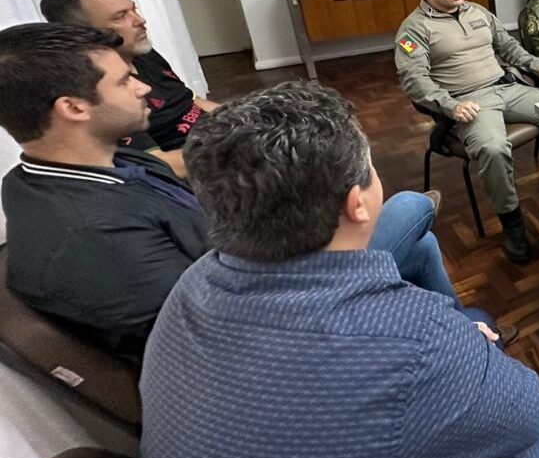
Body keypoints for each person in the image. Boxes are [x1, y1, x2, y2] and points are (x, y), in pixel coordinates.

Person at [139, 82, 539, 458]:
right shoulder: (411, 336)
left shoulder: (194, 284)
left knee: (473, 318)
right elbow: (525, 417)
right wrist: (471, 354)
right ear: (356, 203)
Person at [0, 23, 460, 358]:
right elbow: (235, 338)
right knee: (409, 207)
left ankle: (459, 330)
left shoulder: (75, 169)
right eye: (123, 81)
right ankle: (456, 334)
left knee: (421, 242)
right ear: (73, 107)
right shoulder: (92, 239)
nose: (143, 88)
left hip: (254, 268)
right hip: (280, 315)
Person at [396, 0, 539, 264]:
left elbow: (508, 46)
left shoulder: (478, 12)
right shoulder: (414, 29)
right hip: (469, 102)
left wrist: (537, 64)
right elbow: (414, 81)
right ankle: (512, 222)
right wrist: (450, 105)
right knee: (492, 148)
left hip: (507, 88)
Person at [40, 0, 217, 178]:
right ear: (85, 33)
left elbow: (193, 102)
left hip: (217, 142)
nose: (140, 21)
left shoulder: (141, 52)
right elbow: (161, 164)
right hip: (198, 172)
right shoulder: (97, 90)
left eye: (134, 9)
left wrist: (248, 118)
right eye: (120, 17)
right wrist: (241, 150)